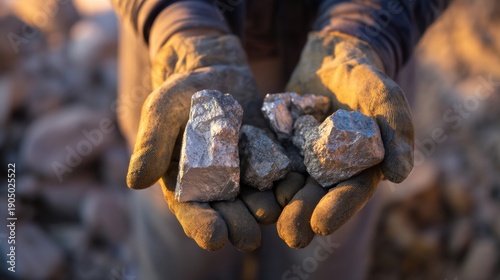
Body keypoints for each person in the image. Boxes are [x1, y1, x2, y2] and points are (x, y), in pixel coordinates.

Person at [111, 0, 451, 279]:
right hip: (186, 49)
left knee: (322, 252)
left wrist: (365, 25)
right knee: (183, 254)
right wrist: (179, 22)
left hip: (351, 55)